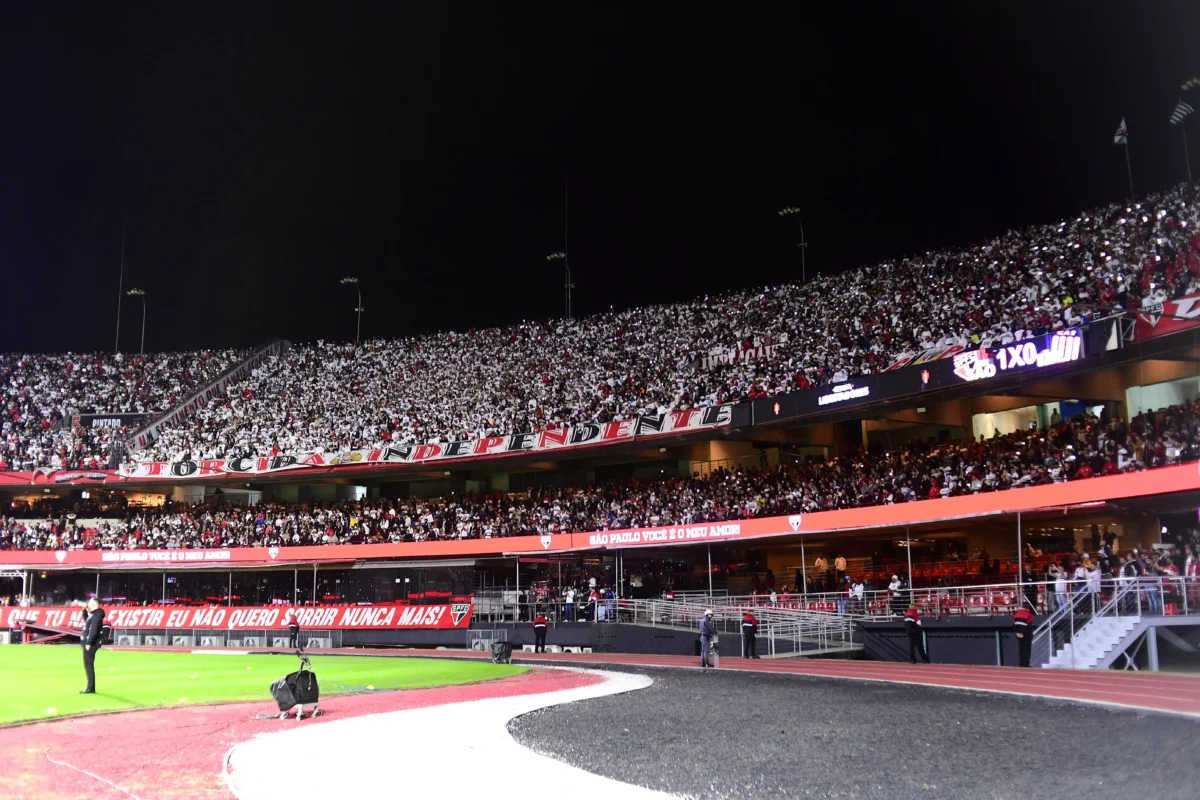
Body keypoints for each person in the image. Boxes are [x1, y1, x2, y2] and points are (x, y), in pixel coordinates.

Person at [78, 597, 105, 694]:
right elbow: (87, 620)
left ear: (93, 604)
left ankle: (90, 688)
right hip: (89, 643)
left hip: (91, 644)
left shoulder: (96, 616)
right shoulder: (94, 615)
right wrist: (84, 610)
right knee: (88, 665)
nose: (87, 604)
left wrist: (89, 642)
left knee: (88, 666)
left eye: (89, 603)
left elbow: (93, 631)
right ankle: (90, 687)